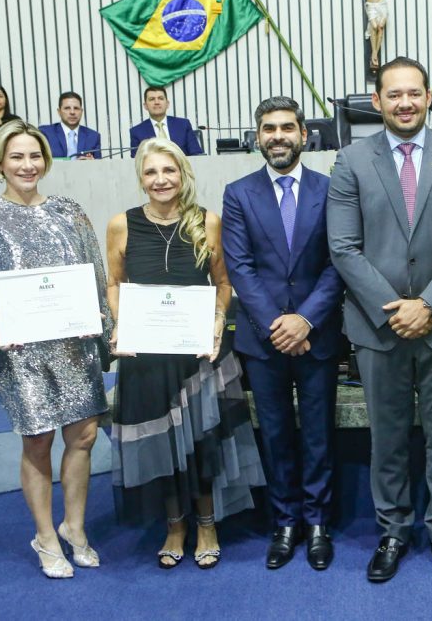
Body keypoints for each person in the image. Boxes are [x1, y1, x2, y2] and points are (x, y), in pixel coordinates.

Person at [327, 57, 432, 583]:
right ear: (377, 102)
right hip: (379, 328)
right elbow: (344, 248)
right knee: (388, 437)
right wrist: (397, 309)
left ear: (428, 96)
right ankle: (393, 530)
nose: (404, 102)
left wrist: (430, 305)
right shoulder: (350, 160)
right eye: (393, 94)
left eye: (414, 93)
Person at [0, 120, 112, 579]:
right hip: (25, 351)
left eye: (35, 156)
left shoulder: (68, 211)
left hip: (74, 347)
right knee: (38, 441)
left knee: (85, 437)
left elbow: (93, 273)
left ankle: (74, 528)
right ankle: (45, 537)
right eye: (17, 157)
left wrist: (103, 326)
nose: (28, 165)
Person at [106, 137, 264, 570]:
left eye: (169, 170)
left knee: (201, 441)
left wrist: (217, 320)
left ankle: (208, 524)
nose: (161, 180)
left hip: (197, 353)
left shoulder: (206, 222)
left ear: (183, 174)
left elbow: (225, 283)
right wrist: (122, 325)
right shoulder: (121, 224)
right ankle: (175, 525)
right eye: (152, 172)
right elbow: (114, 284)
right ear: (141, 178)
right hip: (147, 359)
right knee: (162, 446)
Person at [222, 97, 345, 572]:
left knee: (317, 435)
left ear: (303, 135)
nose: (278, 136)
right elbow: (241, 268)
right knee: (273, 435)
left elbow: (338, 262)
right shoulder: (239, 193)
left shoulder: (331, 189)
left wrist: (305, 321)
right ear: (257, 137)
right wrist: (279, 326)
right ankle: (285, 524)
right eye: (269, 128)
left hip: (318, 335)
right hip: (263, 338)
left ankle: (317, 523)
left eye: (287, 128)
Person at [129, 86, 203, 157]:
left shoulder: (183, 125)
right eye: (152, 99)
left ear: (167, 104)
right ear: (145, 106)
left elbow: (196, 155)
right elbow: (136, 161)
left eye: (160, 98)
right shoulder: (136, 132)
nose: (156, 102)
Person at [39, 92, 102, 159]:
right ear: (59, 112)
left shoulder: (93, 137)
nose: (72, 112)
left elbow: (100, 167)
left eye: (76, 108)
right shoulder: (45, 133)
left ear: (81, 111)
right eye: (67, 108)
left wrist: (93, 162)